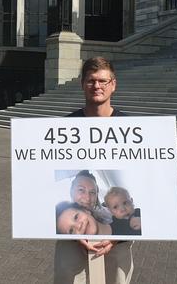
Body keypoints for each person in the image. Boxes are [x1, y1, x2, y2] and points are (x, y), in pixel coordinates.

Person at [55, 56, 133, 284]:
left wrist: (116, 237)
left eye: (102, 81)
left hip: (118, 242)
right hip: (72, 244)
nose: (97, 86)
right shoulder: (64, 128)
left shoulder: (131, 128)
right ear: (82, 84)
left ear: (113, 84)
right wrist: (75, 233)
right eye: (91, 81)